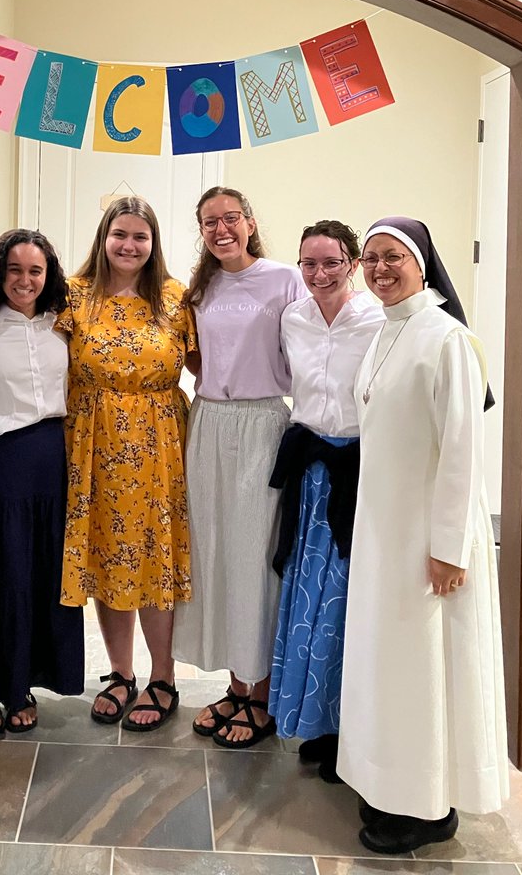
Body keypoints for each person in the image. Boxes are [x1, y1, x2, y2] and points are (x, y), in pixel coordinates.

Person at [337, 216, 508, 853]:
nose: (380, 269)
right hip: (384, 532)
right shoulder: (388, 330)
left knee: (424, 666)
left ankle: (428, 806)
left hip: (427, 543)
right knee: (390, 665)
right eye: (372, 258)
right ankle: (389, 783)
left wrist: (448, 549)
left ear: (422, 263)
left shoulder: (445, 338)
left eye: (393, 258)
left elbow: (462, 451)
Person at [172, 187, 305, 748]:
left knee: (255, 556)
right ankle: (235, 682)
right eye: (210, 222)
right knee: (217, 553)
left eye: (231, 219)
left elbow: (303, 353)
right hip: (209, 422)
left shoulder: (282, 281)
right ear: (201, 230)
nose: (221, 229)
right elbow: (196, 355)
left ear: (250, 222)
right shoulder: (198, 289)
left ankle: (264, 692)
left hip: (261, 425)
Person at [57, 195, 196, 732]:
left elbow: (212, 362)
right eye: (120, 235)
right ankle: (120, 673)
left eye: (140, 236)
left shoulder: (174, 298)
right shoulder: (73, 295)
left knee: (153, 556)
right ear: (103, 237)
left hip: (159, 444)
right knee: (109, 556)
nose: (129, 245)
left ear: (153, 243)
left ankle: (163, 677)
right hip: (92, 441)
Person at [267, 220, 383, 781]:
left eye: (331, 263)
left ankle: (349, 730)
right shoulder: (294, 316)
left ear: (353, 264)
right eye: (308, 264)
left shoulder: (378, 320)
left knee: (345, 600)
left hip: (359, 472)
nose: (318, 275)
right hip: (309, 471)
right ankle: (317, 721)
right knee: (305, 592)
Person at [0, 229, 84, 736]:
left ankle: (27, 684)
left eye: (34, 271)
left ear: (48, 274)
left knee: (41, 575)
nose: (24, 280)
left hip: (51, 459)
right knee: (0, 576)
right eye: (14, 270)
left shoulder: (62, 323)